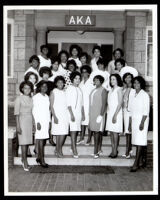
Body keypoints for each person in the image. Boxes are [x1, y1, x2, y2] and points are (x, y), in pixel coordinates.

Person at [128, 76, 150, 172]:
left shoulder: (144, 95)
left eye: (138, 83)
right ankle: (141, 161)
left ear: (141, 84)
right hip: (134, 121)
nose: (136, 85)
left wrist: (142, 123)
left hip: (142, 121)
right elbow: (131, 111)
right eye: (134, 83)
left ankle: (136, 163)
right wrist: (129, 124)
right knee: (136, 142)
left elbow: (146, 111)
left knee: (140, 141)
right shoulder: (133, 94)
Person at [14, 81, 34, 171]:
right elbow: (16, 113)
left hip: (29, 120)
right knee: (23, 142)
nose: (27, 90)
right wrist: (18, 126)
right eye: (25, 88)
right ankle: (24, 161)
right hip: (22, 121)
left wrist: (33, 123)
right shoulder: (19, 98)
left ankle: (23, 158)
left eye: (29, 88)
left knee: (27, 142)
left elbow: (32, 112)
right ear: (22, 89)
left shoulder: (31, 98)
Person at [66, 71, 85, 158]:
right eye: (76, 78)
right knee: (73, 131)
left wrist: (83, 114)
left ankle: (71, 146)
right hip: (71, 113)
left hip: (78, 114)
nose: (77, 80)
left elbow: (81, 103)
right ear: (72, 79)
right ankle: (74, 149)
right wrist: (71, 114)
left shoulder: (79, 89)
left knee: (76, 130)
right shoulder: (69, 88)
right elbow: (68, 103)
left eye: (79, 79)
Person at [32, 80, 51, 168]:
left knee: (42, 140)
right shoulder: (36, 97)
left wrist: (49, 121)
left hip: (45, 121)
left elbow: (48, 110)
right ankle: (42, 160)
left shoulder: (47, 97)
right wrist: (37, 122)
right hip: (39, 121)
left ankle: (39, 157)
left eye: (46, 87)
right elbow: (34, 111)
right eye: (42, 86)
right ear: (39, 87)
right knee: (40, 140)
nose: (44, 88)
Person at [89, 75, 108, 158]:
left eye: (97, 80)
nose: (96, 81)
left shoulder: (103, 90)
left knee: (97, 132)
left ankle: (95, 151)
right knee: (96, 132)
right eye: (95, 80)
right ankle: (99, 149)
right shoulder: (93, 89)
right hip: (92, 113)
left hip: (99, 114)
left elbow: (104, 104)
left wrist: (101, 115)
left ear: (101, 81)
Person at [50, 76, 69, 157]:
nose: (60, 84)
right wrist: (55, 116)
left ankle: (57, 149)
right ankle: (59, 150)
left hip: (65, 115)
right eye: (58, 82)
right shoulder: (53, 91)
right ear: (56, 83)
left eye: (62, 82)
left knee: (63, 133)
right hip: (57, 115)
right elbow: (51, 106)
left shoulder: (65, 92)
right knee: (58, 133)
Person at [105, 74, 123, 158]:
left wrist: (115, 115)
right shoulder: (111, 90)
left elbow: (120, 103)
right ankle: (113, 149)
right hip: (110, 113)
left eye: (114, 79)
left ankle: (115, 150)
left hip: (117, 113)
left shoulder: (119, 89)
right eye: (111, 79)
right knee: (111, 132)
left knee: (115, 132)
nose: (112, 81)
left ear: (117, 80)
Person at [77, 65, 94, 145]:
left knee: (89, 122)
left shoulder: (91, 83)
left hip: (89, 105)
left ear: (88, 73)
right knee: (82, 121)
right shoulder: (80, 83)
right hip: (81, 104)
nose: (84, 74)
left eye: (85, 72)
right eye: (82, 72)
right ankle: (81, 138)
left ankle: (89, 138)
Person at [122, 73, 135, 159]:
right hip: (125, 112)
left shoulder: (133, 90)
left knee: (129, 131)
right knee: (127, 132)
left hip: (130, 112)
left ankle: (128, 151)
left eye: (129, 77)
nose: (127, 79)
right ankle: (128, 150)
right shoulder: (124, 89)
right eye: (126, 77)